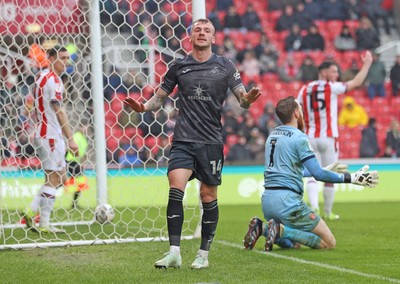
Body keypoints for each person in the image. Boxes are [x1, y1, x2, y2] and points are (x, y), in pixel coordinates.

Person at [123, 18, 261, 269]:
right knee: (175, 186)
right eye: (197, 29)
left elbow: (242, 98)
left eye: (207, 30)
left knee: (208, 196)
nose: (202, 33)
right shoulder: (178, 66)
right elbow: (159, 98)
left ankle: (203, 255)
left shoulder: (225, 65)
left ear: (213, 38)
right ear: (190, 36)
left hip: (211, 141)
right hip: (183, 139)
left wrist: (248, 99)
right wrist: (143, 107)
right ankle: (174, 251)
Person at [243, 96, 379, 251]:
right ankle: (277, 229)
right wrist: (351, 178)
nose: (302, 113)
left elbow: (295, 171)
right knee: (329, 243)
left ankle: (262, 227)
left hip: (268, 202)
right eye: (301, 109)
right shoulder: (299, 137)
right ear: (295, 113)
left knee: (293, 245)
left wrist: (325, 170)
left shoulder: (272, 136)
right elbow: (318, 175)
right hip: (288, 203)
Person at [296, 51, 373, 220]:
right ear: (323, 72)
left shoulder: (305, 88)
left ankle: (314, 208)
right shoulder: (332, 87)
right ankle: (328, 212)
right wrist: (367, 63)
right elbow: (357, 82)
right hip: (329, 137)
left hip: (309, 137)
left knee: (312, 174)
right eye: (334, 71)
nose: (337, 75)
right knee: (330, 175)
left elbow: (296, 109)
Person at [22, 46, 79, 233]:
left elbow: (30, 103)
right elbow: (60, 112)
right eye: (62, 58)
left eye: (67, 58)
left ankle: (39, 218)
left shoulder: (40, 77)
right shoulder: (54, 81)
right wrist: (71, 139)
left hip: (44, 132)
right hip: (51, 135)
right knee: (53, 178)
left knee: (60, 177)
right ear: (51, 58)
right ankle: (34, 214)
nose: (66, 62)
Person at [64, 124, 89, 209]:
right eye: (83, 127)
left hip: (75, 162)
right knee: (79, 181)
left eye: (86, 127)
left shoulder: (83, 138)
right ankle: (74, 204)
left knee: (79, 182)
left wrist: (83, 163)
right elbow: (69, 147)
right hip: (71, 161)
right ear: (80, 127)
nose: (85, 128)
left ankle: (74, 204)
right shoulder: (76, 136)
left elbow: (83, 153)